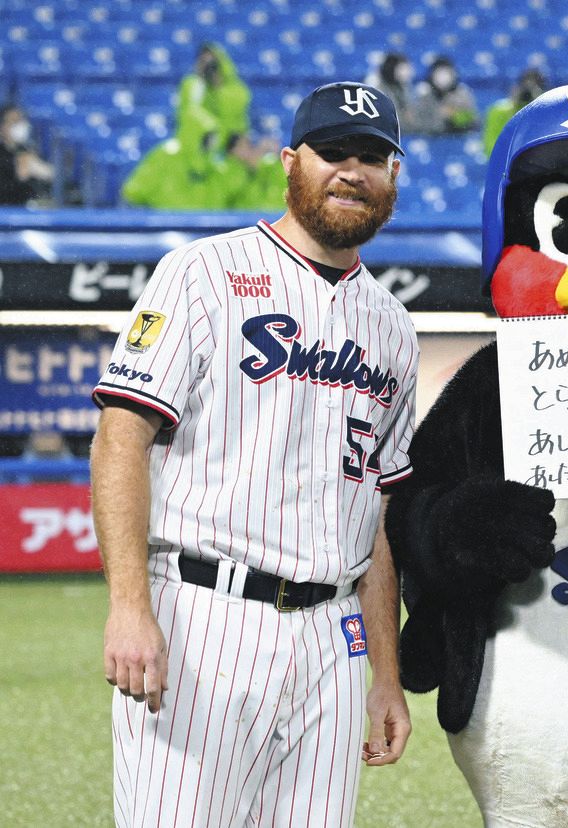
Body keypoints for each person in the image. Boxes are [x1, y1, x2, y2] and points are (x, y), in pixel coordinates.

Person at [91, 81, 417, 827]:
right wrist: (130, 607)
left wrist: (384, 676)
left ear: (393, 177)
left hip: (333, 637)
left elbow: (378, 514)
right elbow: (121, 437)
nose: (352, 170)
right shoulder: (202, 273)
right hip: (204, 615)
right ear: (290, 162)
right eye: (333, 151)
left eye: (373, 156)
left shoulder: (393, 326)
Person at [177, 42, 251, 152]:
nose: (208, 68)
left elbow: (232, 112)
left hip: (229, 147)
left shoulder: (237, 89)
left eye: (212, 64)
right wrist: (201, 83)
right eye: (203, 62)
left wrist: (218, 87)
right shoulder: (192, 84)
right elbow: (188, 110)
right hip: (200, 144)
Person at [481, 67, 546, 156]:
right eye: (525, 87)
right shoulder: (499, 110)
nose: (527, 93)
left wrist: (538, 103)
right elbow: (490, 146)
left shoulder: (545, 112)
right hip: (505, 163)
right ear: (516, 88)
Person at [0, 103, 54, 205]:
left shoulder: (28, 150)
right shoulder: (2, 155)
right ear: (2, 127)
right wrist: (21, 172)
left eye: (20, 120)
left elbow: (49, 177)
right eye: (14, 121)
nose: (19, 126)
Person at [413, 55, 479, 134]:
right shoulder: (424, 95)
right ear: (432, 76)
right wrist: (439, 116)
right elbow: (418, 123)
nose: (443, 78)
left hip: (458, 139)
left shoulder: (463, 95)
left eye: (446, 74)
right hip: (431, 139)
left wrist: (454, 116)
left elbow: (473, 120)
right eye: (439, 74)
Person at [364, 51, 424, 133]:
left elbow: (413, 116)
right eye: (403, 69)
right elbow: (387, 117)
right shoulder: (378, 87)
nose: (408, 73)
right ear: (392, 68)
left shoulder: (405, 87)